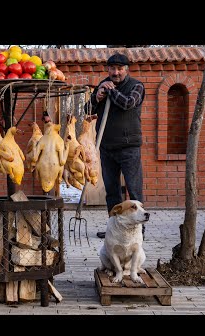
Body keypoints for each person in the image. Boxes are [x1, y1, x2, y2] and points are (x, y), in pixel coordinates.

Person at [85, 53, 146, 239]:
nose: (116, 72)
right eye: (112, 69)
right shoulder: (104, 85)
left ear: (126, 70)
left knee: (133, 190)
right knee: (111, 192)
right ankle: (114, 229)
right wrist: (97, 96)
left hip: (129, 147)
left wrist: (110, 91)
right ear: (108, 69)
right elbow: (87, 110)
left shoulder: (136, 86)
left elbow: (128, 103)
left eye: (120, 69)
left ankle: (138, 231)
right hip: (107, 147)